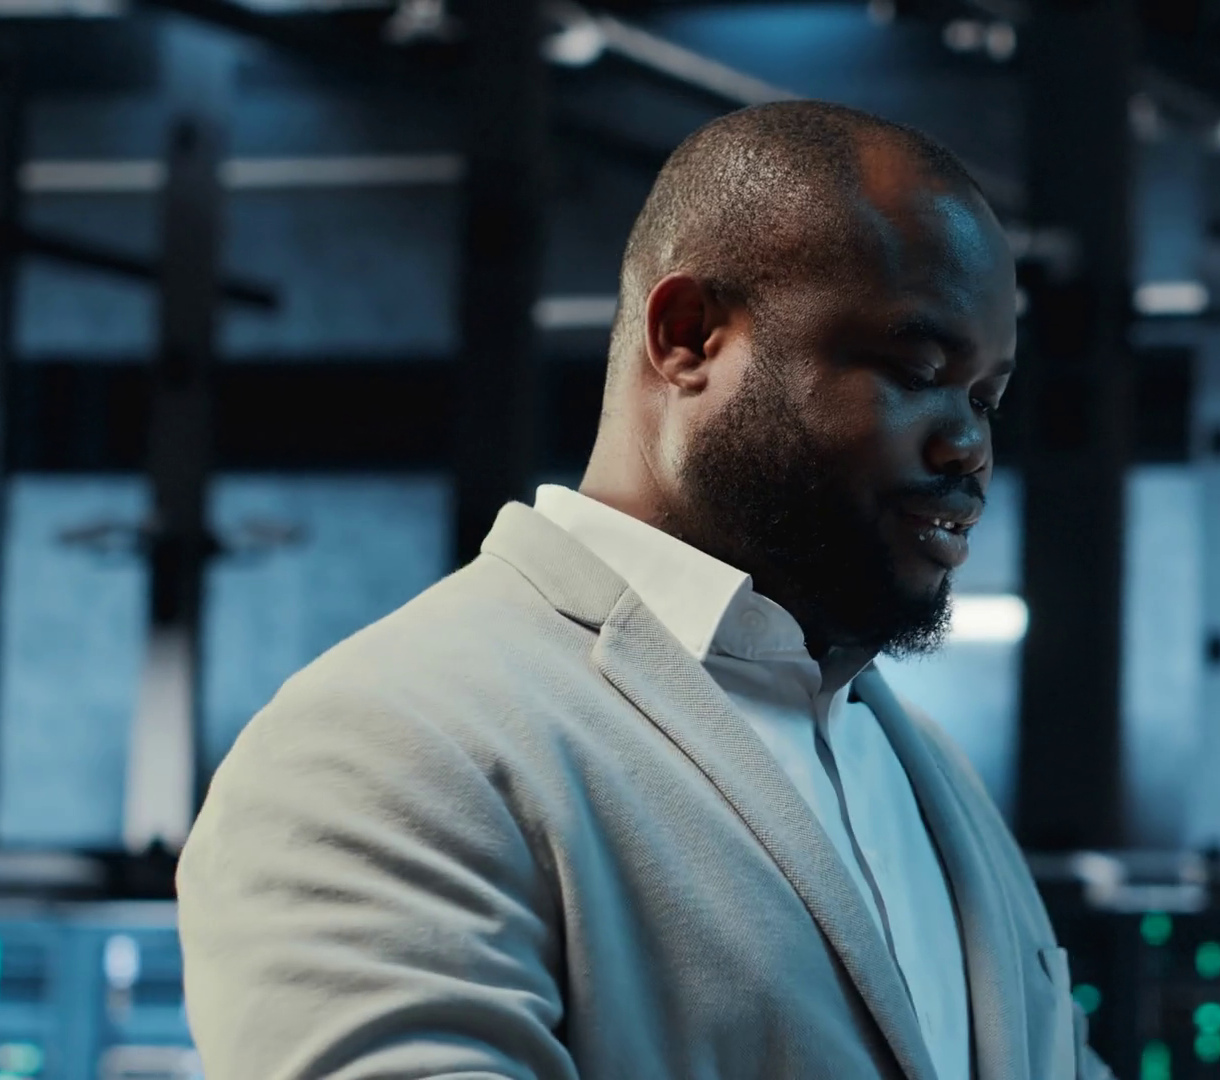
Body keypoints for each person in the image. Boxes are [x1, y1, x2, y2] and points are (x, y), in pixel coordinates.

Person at [177, 100, 1111, 1080]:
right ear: (689, 335)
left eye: (985, 399)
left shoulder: (930, 775)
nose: (969, 447)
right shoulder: (385, 745)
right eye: (918, 370)